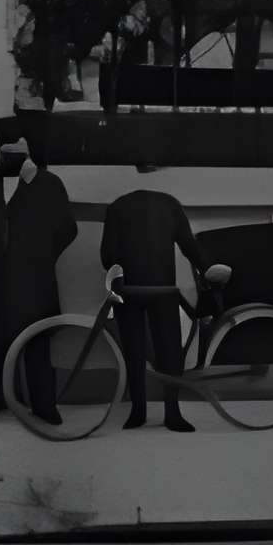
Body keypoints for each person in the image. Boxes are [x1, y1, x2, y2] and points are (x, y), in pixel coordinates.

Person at [0, 123, 75, 421]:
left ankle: (44, 405)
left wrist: (40, 258)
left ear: (25, 154)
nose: (7, 157)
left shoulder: (49, 183)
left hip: (33, 282)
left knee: (36, 343)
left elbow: (67, 229)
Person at [102, 184, 204, 431]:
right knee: (170, 351)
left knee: (133, 351)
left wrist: (117, 278)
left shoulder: (118, 207)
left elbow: (108, 255)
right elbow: (189, 245)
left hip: (131, 290)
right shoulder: (170, 205)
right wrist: (207, 268)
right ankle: (173, 412)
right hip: (164, 289)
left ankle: (138, 411)